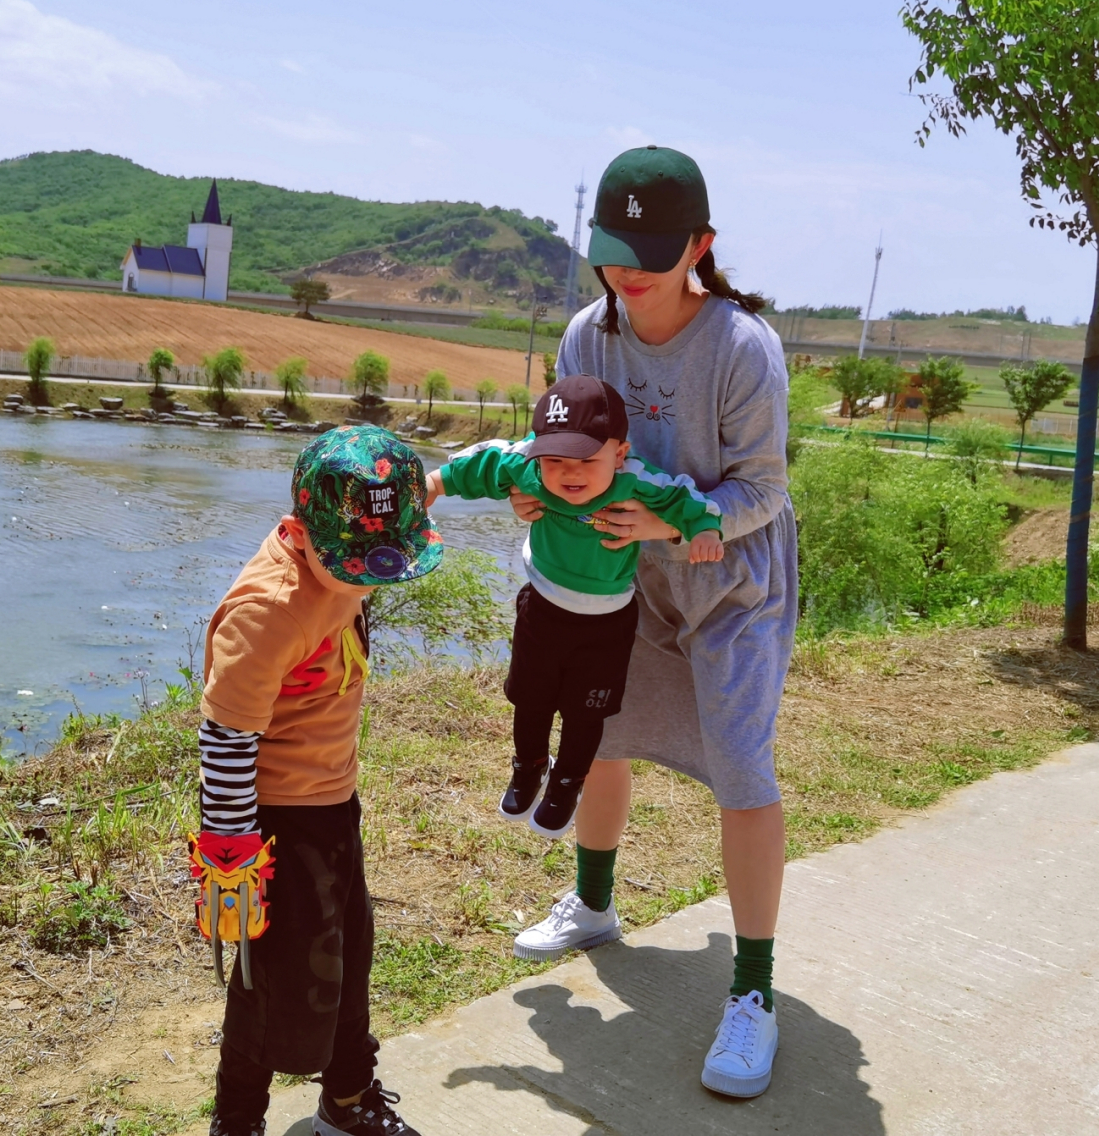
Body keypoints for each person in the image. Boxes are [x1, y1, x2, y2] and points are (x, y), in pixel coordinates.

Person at [508, 146, 797, 1100]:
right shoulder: (588, 335)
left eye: (650, 250)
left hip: (729, 585)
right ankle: (593, 903)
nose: (626, 270)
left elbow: (762, 490)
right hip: (621, 578)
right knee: (601, 735)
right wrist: (539, 492)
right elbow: (561, 446)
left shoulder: (741, 349)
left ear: (699, 248)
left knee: (742, 771)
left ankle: (752, 995)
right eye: (611, 248)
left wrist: (674, 518)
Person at [197, 425, 441, 1136]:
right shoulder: (268, 612)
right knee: (268, 976)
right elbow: (225, 739)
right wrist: (231, 863)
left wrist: (499, 474)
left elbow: (417, 493)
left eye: (383, 562)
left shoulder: (359, 533)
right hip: (271, 817)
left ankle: (347, 1096)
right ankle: (237, 1119)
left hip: (334, 800)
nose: (369, 579)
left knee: (349, 955)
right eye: (355, 567)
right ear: (298, 534)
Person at [423, 373, 724, 837]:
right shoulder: (527, 466)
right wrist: (437, 483)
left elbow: (683, 496)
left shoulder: (634, 481)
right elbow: (485, 464)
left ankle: (567, 782)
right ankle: (528, 768)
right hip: (543, 610)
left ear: (620, 454)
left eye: (587, 459)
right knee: (531, 700)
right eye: (556, 459)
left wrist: (703, 529)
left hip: (606, 625)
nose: (570, 472)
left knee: (587, 714)